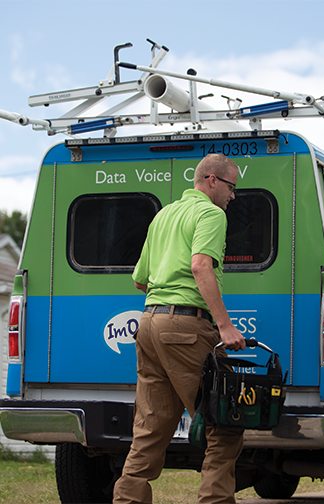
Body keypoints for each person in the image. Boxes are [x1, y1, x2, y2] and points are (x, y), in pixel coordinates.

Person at [113, 154, 246, 504]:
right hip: (186, 327)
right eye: (232, 187)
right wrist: (225, 325)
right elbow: (201, 266)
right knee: (224, 423)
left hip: (149, 323)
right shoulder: (210, 214)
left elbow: (140, 280)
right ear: (213, 181)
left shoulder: (163, 215)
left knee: (150, 428)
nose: (233, 196)